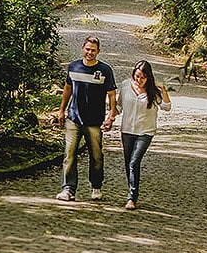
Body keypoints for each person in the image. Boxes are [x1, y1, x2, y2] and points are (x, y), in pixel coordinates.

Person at [56, 35, 117, 201]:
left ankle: (96, 186)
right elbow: (67, 89)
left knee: (96, 155)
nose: (90, 52)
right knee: (69, 154)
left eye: (93, 50)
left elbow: (111, 94)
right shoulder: (74, 67)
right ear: (83, 48)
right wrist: (62, 110)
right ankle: (68, 189)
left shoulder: (105, 70)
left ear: (98, 52)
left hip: (94, 121)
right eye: (88, 49)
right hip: (74, 118)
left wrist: (111, 115)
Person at [115, 60, 171, 209]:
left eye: (142, 78)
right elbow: (119, 106)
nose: (139, 81)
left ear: (148, 78)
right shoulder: (126, 85)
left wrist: (163, 90)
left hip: (145, 132)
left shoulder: (153, 91)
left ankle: (132, 197)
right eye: (137, 77)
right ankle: (131, 190)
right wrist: (110, 117)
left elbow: (166, 107)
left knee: (134, 162)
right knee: (129, 164)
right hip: (127, 130)